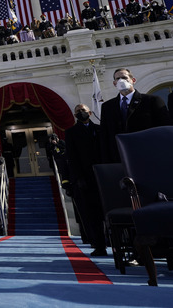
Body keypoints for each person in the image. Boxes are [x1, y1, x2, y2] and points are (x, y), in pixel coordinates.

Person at [99, 68, 169, 164]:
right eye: (118, 79)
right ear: (114, 83)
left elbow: (163, 129)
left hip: (149, 155)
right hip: (120, 158)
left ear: (133, 80)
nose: (121, 81)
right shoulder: (107, 106)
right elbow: (105, 136)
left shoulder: (152, 100)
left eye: (124, 77)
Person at [64, 103, 107, 256]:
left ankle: (114, 243)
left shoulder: (100, 129)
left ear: (89, 112)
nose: (81, 112)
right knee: (92, 214)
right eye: (78, 111)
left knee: (107, 212)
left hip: (103, 176)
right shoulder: (71, 133)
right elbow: (71, 157)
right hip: (85, 179)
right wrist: (77, 178)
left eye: (83, 110)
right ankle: (99, 245)